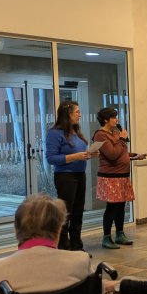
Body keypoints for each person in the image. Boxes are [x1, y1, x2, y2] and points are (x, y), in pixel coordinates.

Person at [45, 100, 97, 251]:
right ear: (68, 114)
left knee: (78, 212)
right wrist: (76, 156)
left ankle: (76, 245)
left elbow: (79, 154)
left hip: (80, 175)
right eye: (77, 112)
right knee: (66, 213)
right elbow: (51, 158)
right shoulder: (54, 133)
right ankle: (64, 246)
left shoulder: (75, 131)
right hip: (65, 177)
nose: (80, 115)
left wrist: (89, 154)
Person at [92, 108, 145, 249]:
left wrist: (135, 155)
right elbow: (112, 154)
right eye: (114, 117)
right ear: (106, 120)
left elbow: (121, 152)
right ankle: (106, 237)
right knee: (112, 207)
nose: (117, 119)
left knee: (121, 206)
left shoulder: (115, 132)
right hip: (110, 177)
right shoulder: (100, 135)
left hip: (122, 175)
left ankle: (120, 234)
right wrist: (122, 138)